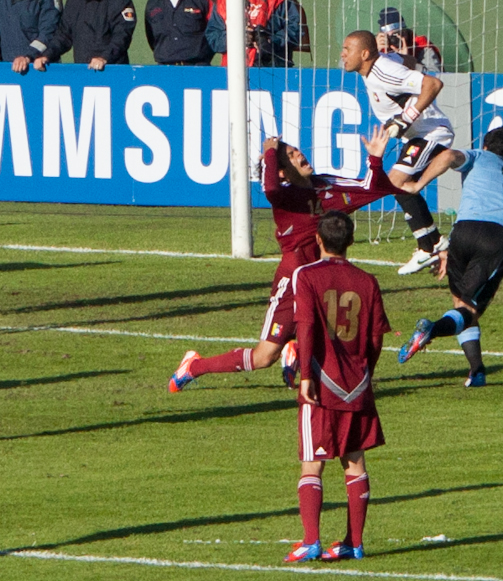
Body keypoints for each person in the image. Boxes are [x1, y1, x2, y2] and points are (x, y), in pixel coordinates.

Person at [170, 132, 450, 392]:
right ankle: (195, 365)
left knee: (337, 331)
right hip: (292, 280)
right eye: (291, 156)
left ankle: (301, 356)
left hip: (324, 278)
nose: (300, 155)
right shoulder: (285, 197)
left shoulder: (324, 185)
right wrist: (270, 153)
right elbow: (269, 189)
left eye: (296, 150)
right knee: (264, 357)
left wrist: (375, 160)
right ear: (282, 171)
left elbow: (372, 189)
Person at [285, 211, 389, 563]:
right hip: (357, 383)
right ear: (351, 240)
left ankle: (311, 541)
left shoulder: (307, 275)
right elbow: (376, 338)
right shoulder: (368, 281)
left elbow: (307, 327)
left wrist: (306, 378)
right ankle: (353, 543)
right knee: (354, 461)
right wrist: (365, 375)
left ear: (317, 240)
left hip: (321, 382)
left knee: (312, 463)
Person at [394, 125, 503, 388]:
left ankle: (477, 371)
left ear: (486, 146)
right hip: (496, 235)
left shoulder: (477, 156)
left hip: (462, 232)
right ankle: (431, 329)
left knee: (461, 304)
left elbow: (448, 156)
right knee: (469, 309)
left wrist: (419, 183)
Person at [339, 29, 449, 276]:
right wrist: (395, 54)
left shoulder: (383, 72)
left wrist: (406, 117)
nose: (342, 54)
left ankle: (429, 246)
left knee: (395, 183)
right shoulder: (382, 65)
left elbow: (433, 83)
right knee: (396, 185)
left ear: (365, 54)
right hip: (418, 135)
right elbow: (409, 63)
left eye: (348, 50)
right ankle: (433, 243)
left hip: (431, 132)